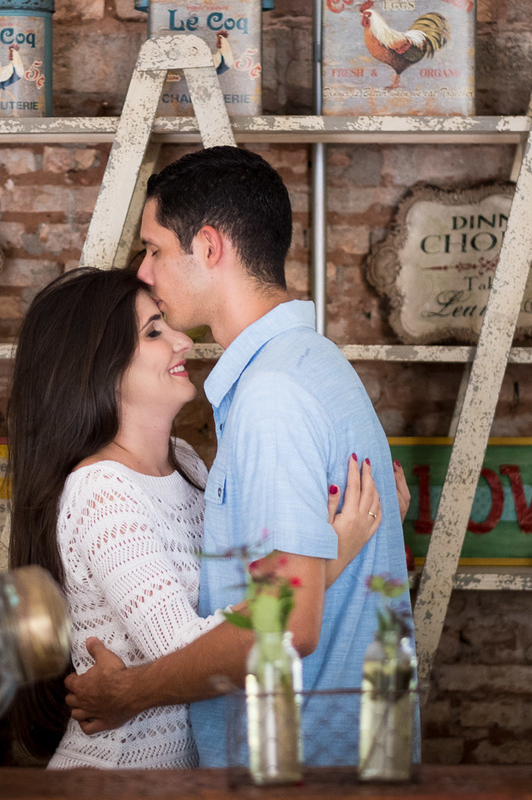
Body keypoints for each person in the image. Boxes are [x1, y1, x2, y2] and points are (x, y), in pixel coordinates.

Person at [64, 146, 416, 768]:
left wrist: (128, 692)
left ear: (208, 247)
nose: (145, 272)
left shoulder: (271, 398)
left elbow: (290, 624)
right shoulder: (317, 366)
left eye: (155, 250)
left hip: (300, 763)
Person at [6, 266, 388, 769]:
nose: (183, 342)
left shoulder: (185, 461)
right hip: (118, 777)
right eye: (154, 332)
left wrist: (361, 515)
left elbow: (243, 581)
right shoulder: (101, 491)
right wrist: (334, 549)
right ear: (98, 366)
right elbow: (190, 652)